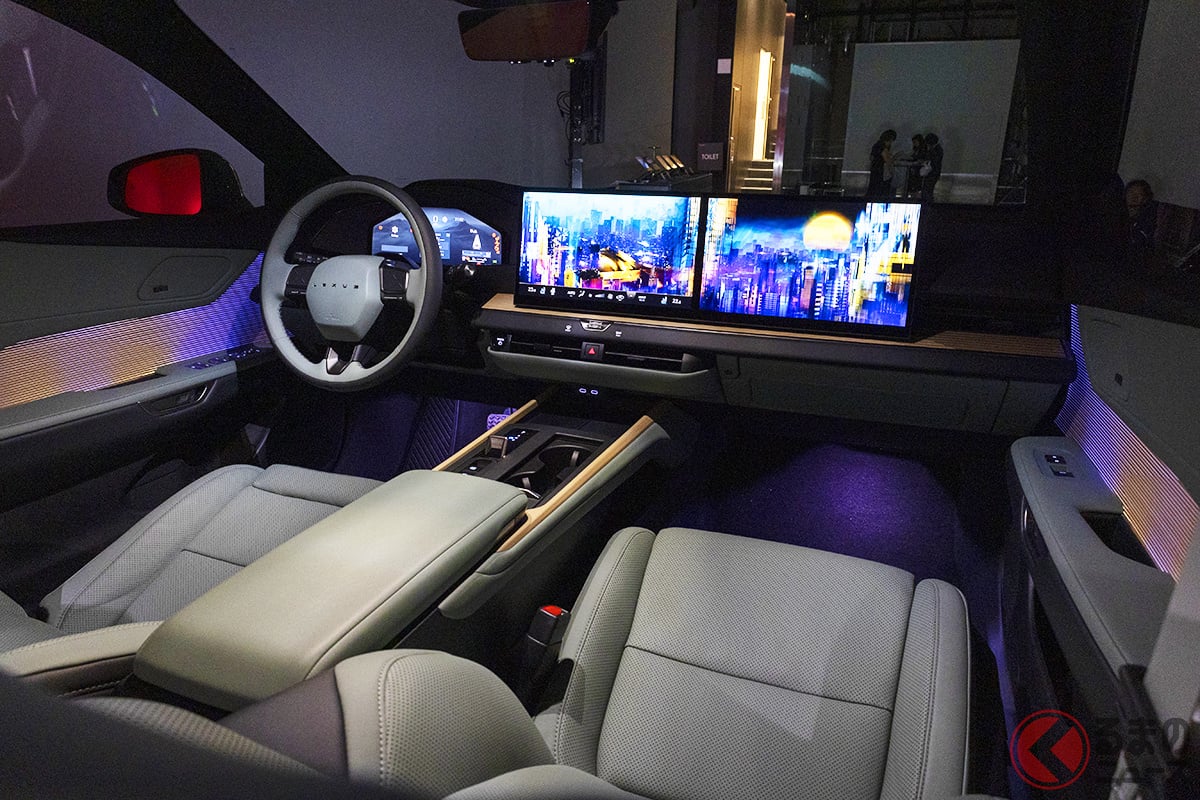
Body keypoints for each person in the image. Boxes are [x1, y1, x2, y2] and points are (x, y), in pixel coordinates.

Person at [866, 129, 897, 198]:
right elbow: (887, 160)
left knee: (872, 189)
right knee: (880, 191)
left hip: (875, 169)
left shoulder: (876, 145)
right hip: (880, 171)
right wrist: (892, 171)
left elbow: (871, 157)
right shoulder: (882, 147)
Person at [920, 133, 944, 202]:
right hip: (933, 173)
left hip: (932, 173)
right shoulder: (938, 149)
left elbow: (934, 160)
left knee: (927, 190)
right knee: (928, 190)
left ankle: (927, 203)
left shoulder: (936, 150)